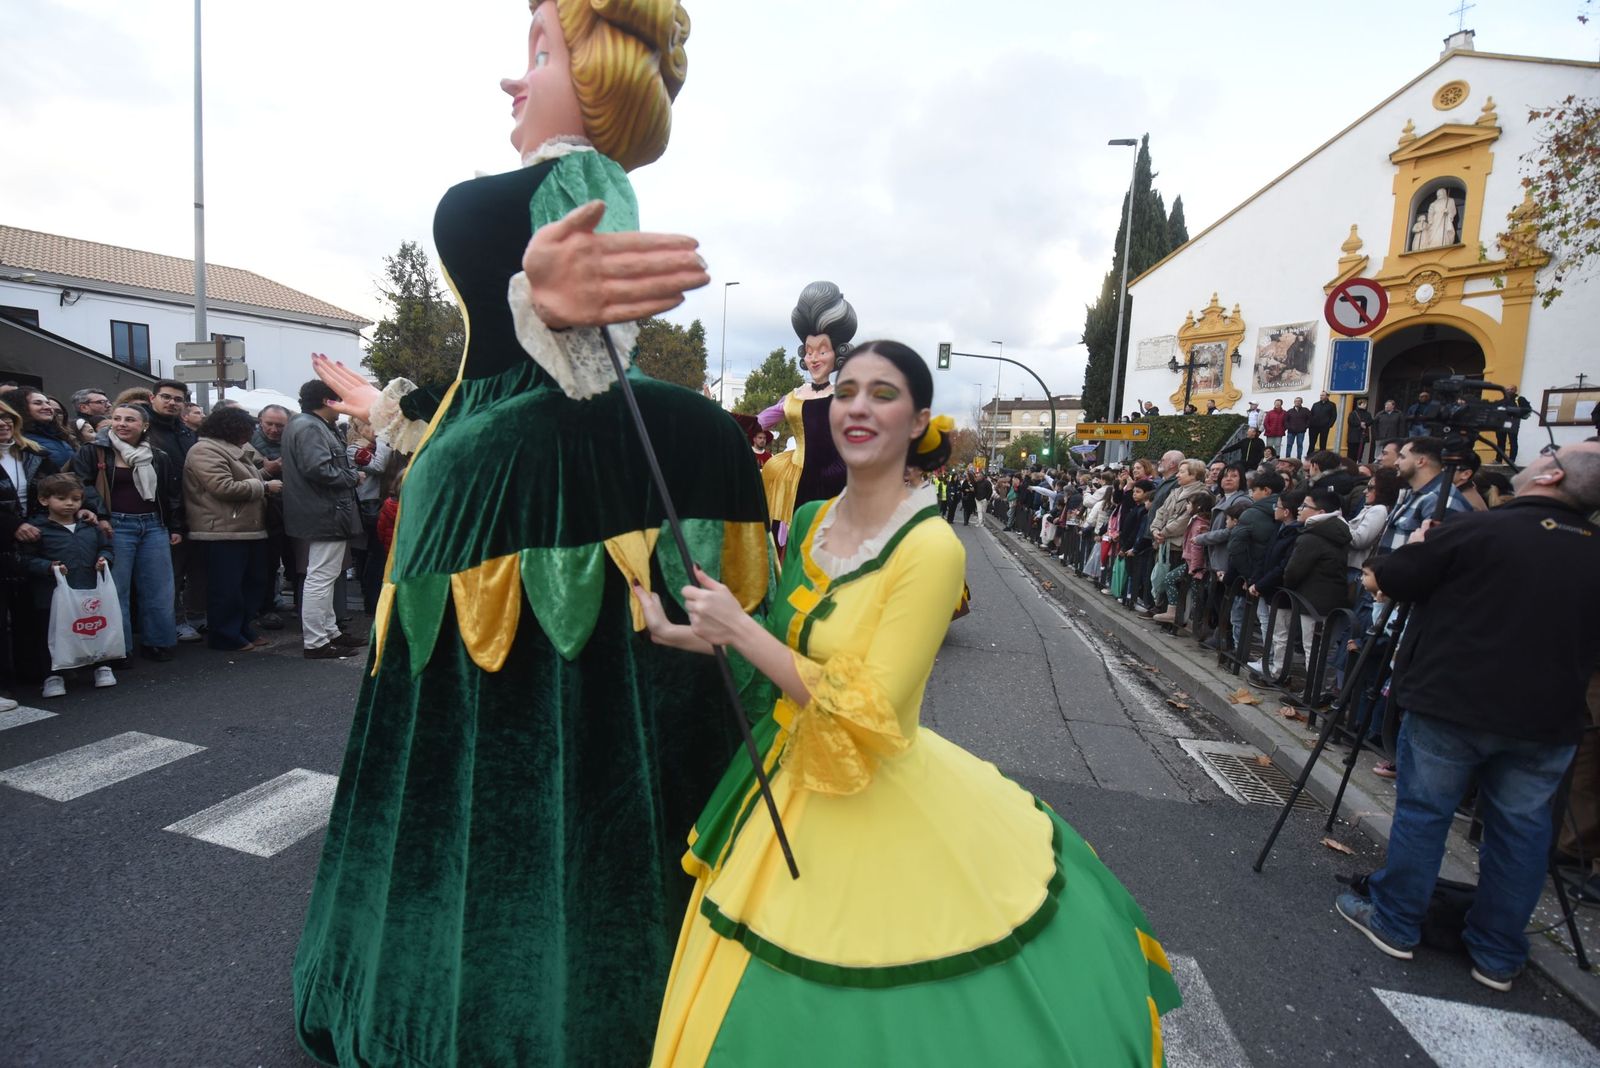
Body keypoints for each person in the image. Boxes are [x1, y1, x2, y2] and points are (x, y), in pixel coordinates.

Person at [292, 5, 776, 1064]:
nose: (517, 82)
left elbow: (588, 342)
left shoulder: (575, 177)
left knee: (516, 748)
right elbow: (488, 377)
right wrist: (389, 406)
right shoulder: (543, 184)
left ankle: (524, 995)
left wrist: (555, 312)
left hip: (520, 488)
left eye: (541, 56)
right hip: (477, 474)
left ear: (600, 77)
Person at [636, 340, 1180, 1066]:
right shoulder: (809, 523)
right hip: (781, 786)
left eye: (882, 393)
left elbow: (871, 710)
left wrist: (737, 626)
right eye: (848, 390)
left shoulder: (931, 551)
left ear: (917, 417)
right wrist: (686, 631)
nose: (858, 406)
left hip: (879, 793)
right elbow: (776, 650)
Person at [1336, 440, 1600, 992]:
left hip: (1453, 703)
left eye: (1548, 454)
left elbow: (1395, 578)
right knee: (1522, 833)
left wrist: (1420, 543)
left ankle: (1396, 920)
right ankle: (1498, 952)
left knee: (1425, 814)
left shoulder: (1482, 528)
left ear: (1550, 478)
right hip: (1547, 717)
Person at [72, 404, 184, 662]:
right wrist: (100, 515)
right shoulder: (94, 451)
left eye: (130, 420)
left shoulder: (157, 455)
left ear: (144, 425)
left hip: (154, 525)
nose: (122, 423)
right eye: (117, 418)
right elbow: (82, 486)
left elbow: (170, 494)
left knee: (159, 588)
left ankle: (158, 642)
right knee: (116, 589)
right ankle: (119, 648)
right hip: (115, 525)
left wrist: (175, 526)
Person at [757, 281, 855, 545]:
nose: (814, 358)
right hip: (798, 478)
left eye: (822, 351)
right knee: (795, 544)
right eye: (809, 351)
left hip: (837, 476)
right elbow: (758, 422)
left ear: (837, 353)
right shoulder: (794, 397)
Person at [183, 406, 279, 653]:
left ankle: (242, 628)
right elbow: (222, 486)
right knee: (226, 587)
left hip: (247, 527)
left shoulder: (235, 450)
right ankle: (225, 635)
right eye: (246, 429)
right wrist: (265, 487)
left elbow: (248, 477)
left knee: (253, 582)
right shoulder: (204, 450)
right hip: (220, 529)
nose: (250, 434)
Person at [281, 380, 365, 660]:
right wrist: (354, 477)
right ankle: (318, 641)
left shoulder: (306, 424)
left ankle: (329, 633)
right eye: (339, 400)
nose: (343, 406)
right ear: (328, 402)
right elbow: (318, 469)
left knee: (324, 576)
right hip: (324, 511)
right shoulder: (309, 427)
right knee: (320, 577)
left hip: (322, 510)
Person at [23, 473, 117, 697]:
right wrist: (47, 567)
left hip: (87, 587)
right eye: (62, 498)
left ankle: (100, 665)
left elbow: (106, 547)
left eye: (75, 499)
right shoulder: (38, 529)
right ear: (44, 500)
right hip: (51, 592)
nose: (69, 504)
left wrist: (104, 560)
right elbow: (26, 559)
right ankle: (53, 675)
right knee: (52, 632)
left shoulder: (89, 526)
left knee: (93, 627)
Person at [1259, 487, 1351, 682]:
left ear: (1320, 513)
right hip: (1329, 598)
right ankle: (1320, 689)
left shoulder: (1312, 536)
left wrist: (1289, 585)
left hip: (1313, 600)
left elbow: (1293, 571)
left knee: (1313, 648)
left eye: (1305, 505)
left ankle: (1312, 694)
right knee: (1322, 647)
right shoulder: (1336, 531)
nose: (1300, 509)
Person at [143, 380, 204, 642]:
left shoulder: (185, 431)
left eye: (177, 399)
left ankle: (195, 615)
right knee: (171, 573)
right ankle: (175, 622)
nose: (171, 403)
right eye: (166, 397)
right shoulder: (143, 429)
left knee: (195, 567)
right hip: (160, 510)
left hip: (191, 507)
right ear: (152, 398)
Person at [251, 404, 293, 627]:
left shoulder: (291, 442)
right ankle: (264, 606)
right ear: (260, 421)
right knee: (265, 563)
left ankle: (278, 601)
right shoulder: (247, 443)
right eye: (269, 424)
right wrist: (268, 471)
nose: (274, 429)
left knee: (290, 560)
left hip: (289, 508)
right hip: (262, 511)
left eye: (280, 425)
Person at [0, 386, 77, 468]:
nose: (48, 407)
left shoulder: (57, 434)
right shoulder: (14, 440)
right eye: (37, 403)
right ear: (20, 407)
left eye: (47, 403)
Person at [1346, 397, 1374, 462]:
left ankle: (1358, 462)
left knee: (1360, 452)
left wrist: (1365, 423)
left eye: (1366, 404)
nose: (1365, 405)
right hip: (1353, 436)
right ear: (1359, 404)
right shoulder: (1353, 413)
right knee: (1352, 451)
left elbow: (1371, 421)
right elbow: (1350, 421)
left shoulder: (1368, 414)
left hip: (1362, 436)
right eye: (1364, 404)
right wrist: (1359, 424)